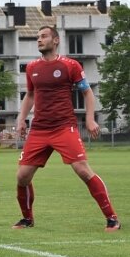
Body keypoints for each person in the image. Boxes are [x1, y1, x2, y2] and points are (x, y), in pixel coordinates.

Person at [13, 25, 121, 232]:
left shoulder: (70, 66)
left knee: (82, 170)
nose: (39, 40)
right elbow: (30, 95)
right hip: (39, 130)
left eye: (43, 36)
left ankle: (112, 218)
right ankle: (27, 219)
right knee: (22, 176)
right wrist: (21, 119)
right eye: (37, 37)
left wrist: (90, 120)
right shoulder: (32, 68)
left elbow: (87, 93)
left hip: (64, 128)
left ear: (55, 40)